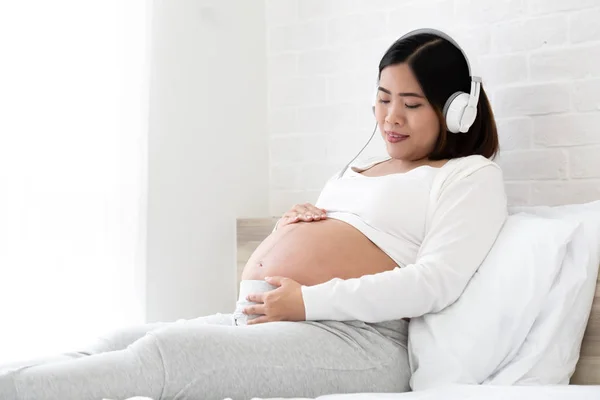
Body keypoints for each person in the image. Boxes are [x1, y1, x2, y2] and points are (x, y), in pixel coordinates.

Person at [0, 28, 507, 400]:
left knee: (167, 354)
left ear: (457, 108)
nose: (390, 117)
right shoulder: (363, 168)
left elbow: (434, 282)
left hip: (358, 341)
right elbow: (352, 241)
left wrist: (307, 300)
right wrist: (299, 226)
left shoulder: (468, 176)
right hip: (268, 320)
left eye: (412, 104)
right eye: (382, 99)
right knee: (115, 339)